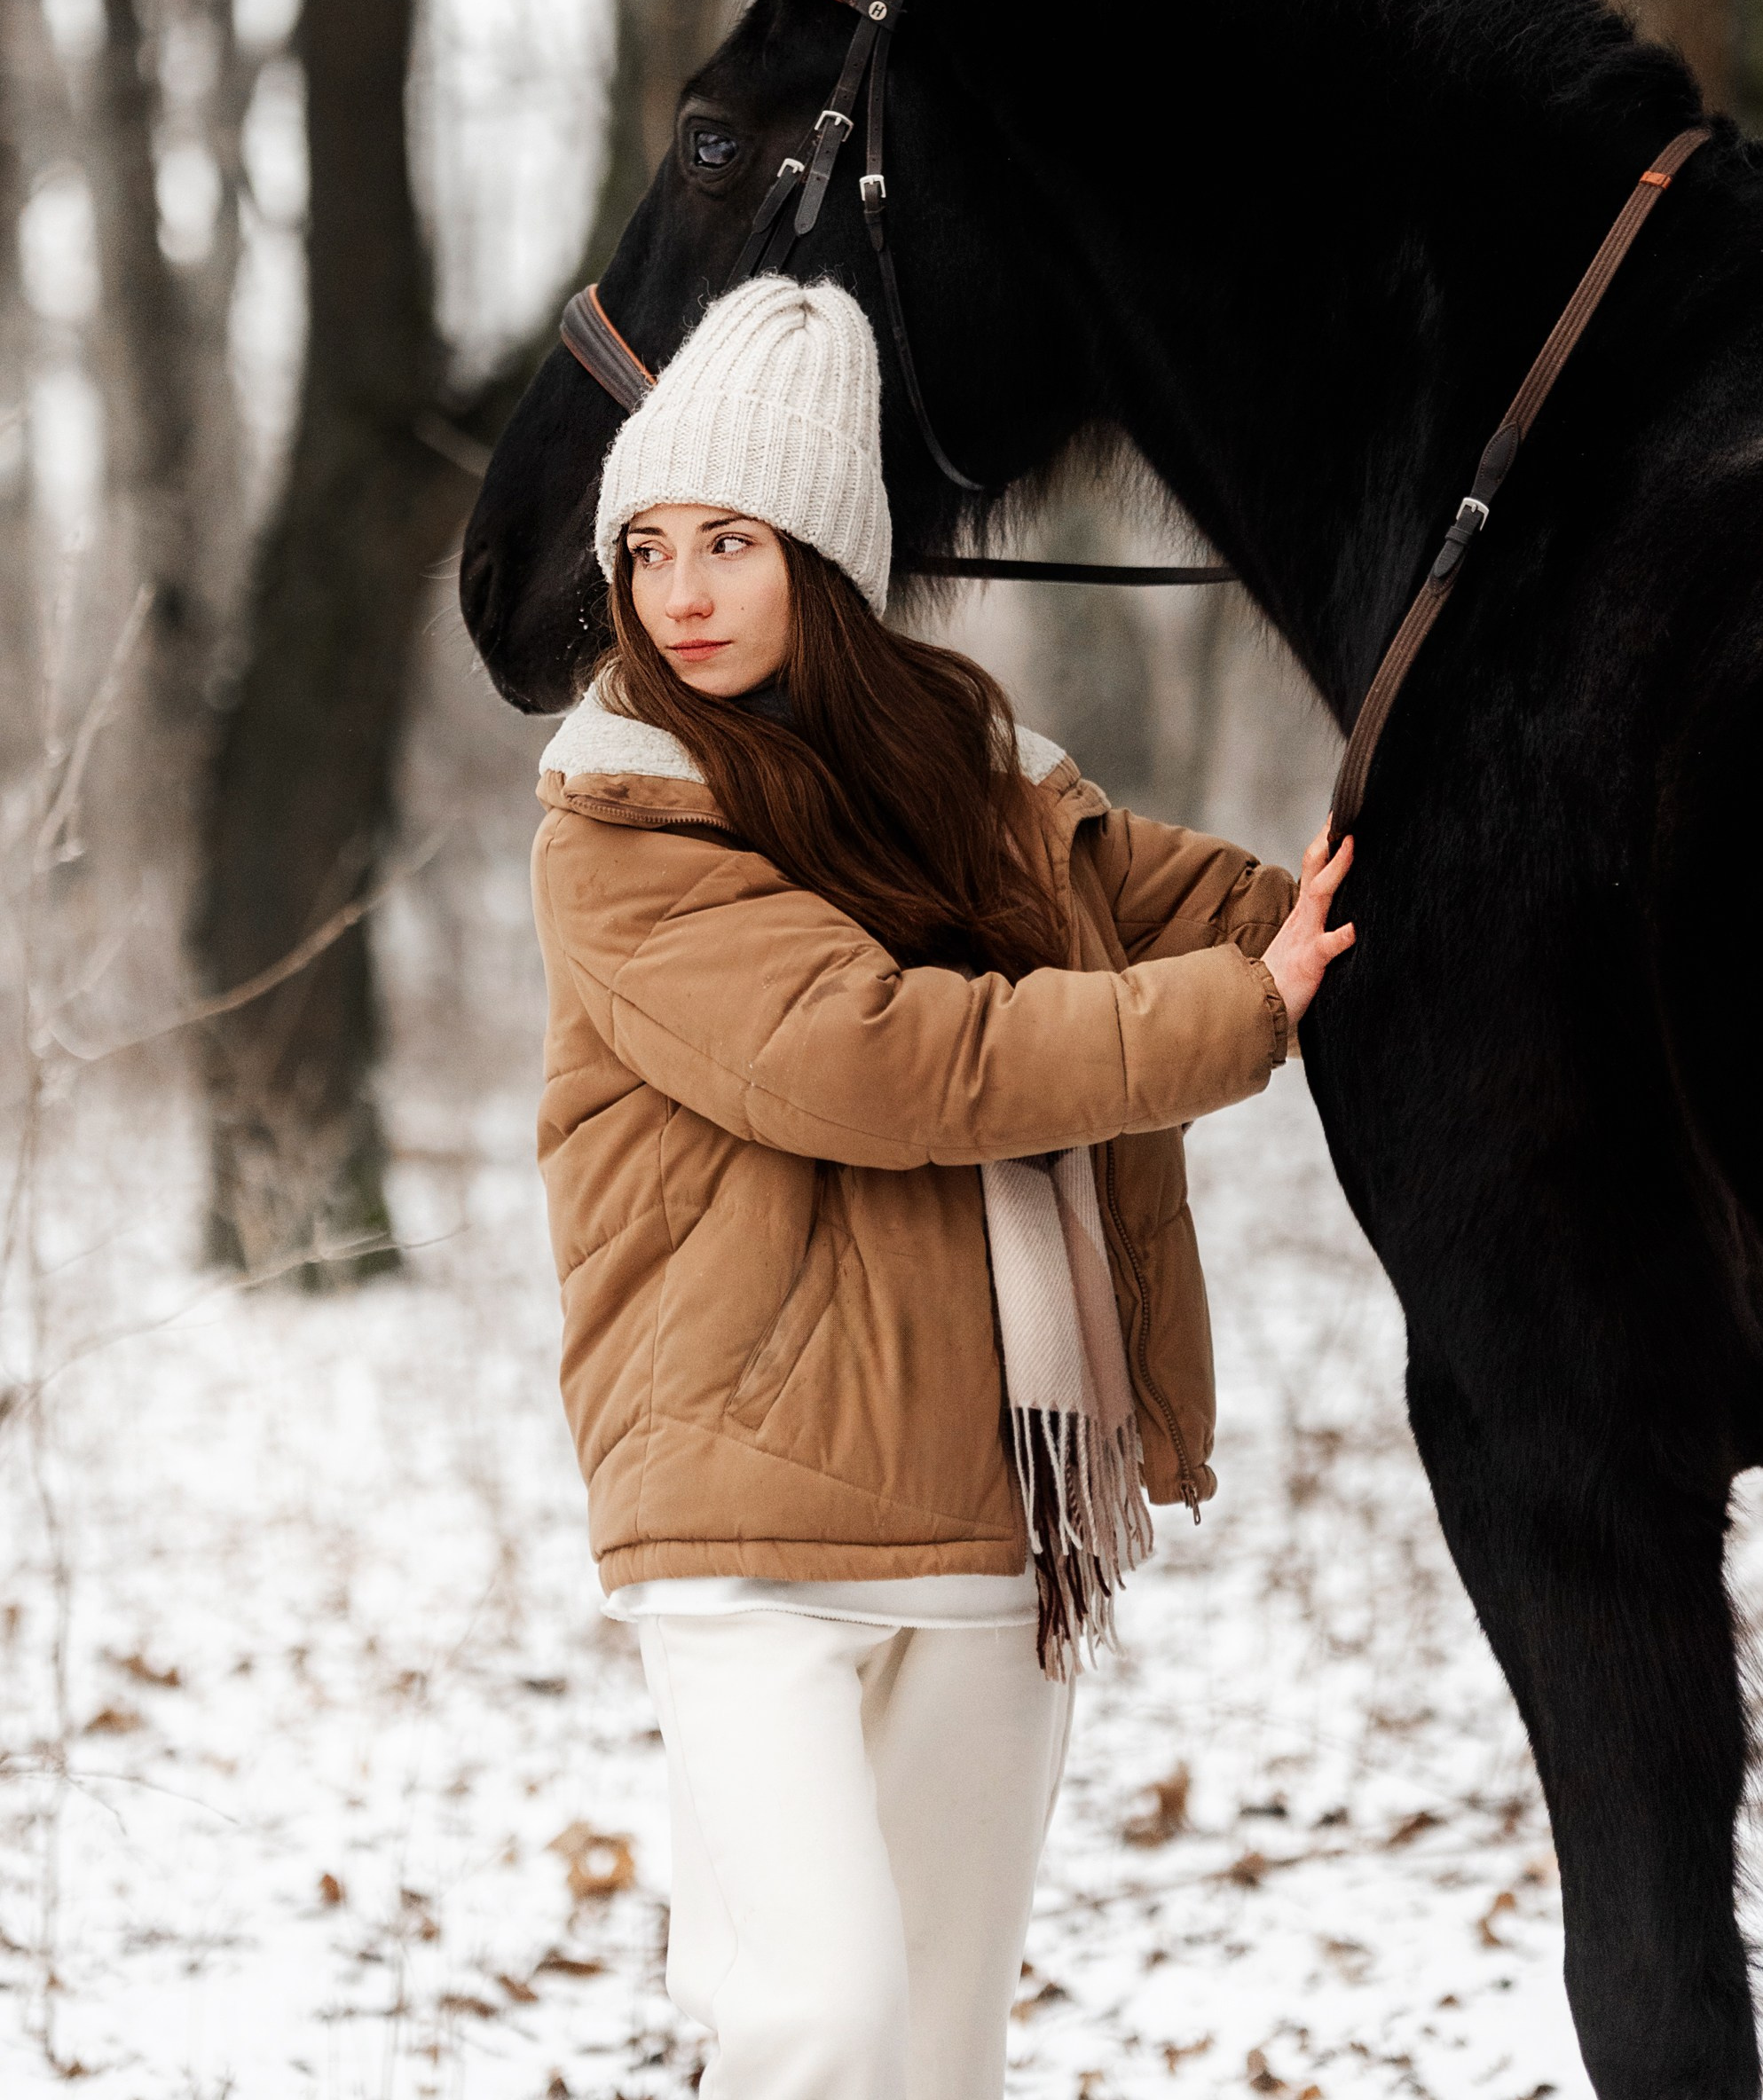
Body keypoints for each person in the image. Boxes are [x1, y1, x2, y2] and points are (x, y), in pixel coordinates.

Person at [530, 273, 1354, 2100]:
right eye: (647, 546)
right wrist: (1239, 1011)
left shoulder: (978, 783)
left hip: (989, 1507)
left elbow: (1220, 906)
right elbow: (889, 1061)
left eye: (730, 541)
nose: (678, 592)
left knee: (938, 2051)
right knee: (819, 2022)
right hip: (741, 1524)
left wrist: (1387, 882)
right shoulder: (621, 828)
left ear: (822, 557)